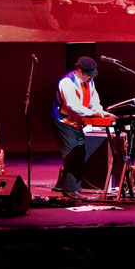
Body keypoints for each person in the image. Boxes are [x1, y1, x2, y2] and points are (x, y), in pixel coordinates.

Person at [51, 56, 112, 199]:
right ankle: (70, 191)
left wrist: (101, 112)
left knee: (81, 153)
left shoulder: (89, 82)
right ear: (79, 70)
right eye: (88, 74)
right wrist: (93, 113)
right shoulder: (67, 82)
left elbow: (94, 101)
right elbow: (73, 105)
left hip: (77, 122)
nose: (91, 78)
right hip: (63, 122)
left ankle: (70, 187)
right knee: (72, 154)